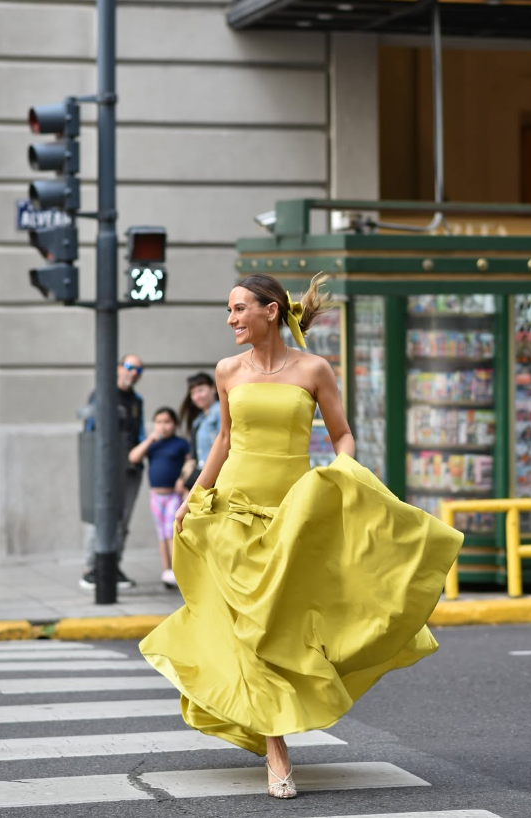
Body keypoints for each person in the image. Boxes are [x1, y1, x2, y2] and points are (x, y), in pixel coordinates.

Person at [140, 274, 463, 799]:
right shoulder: (227, 371)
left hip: (293, 513)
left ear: (272, 311)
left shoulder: (313, 369)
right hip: (234, 514)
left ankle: (281, 729)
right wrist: (194, 497)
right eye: (229, 310)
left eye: (240, 309)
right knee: (252, 632)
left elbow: (341, 434)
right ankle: (276, 750)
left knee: (283, 630)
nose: (231, 319)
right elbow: (224, 439)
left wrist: (343, 475)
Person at [79, 353, 145, 590]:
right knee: (101, 519)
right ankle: (91, 569)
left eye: (139, 370)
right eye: (129, 367)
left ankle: (112, 566)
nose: (133, 373)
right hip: (107, 468)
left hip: (131, 468)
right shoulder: (102, 395)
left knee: (122, 522)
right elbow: (89, 430)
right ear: (118, 368)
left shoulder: (136, 401)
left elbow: (140, 433)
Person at [128, 407, 190, 589]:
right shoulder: (152, 444)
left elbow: (189, 461)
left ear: (175, 424)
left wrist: (183, 478)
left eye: (167, 422)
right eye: (159, 422)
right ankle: (167, 571)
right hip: (156, 496)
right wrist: (149, 440)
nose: (163, 426)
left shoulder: (180, 444)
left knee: (171, 532)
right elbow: (133, 457)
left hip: (173, 495)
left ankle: (177, 571)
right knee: (162, 534)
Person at [176, 372, 220, 494]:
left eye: (201, 390)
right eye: (193, 393)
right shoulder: (198, 419)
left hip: (217, 474)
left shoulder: (220, 412)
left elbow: (226, 442)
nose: (197, 396)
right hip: (202, 472)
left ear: (213, 389)